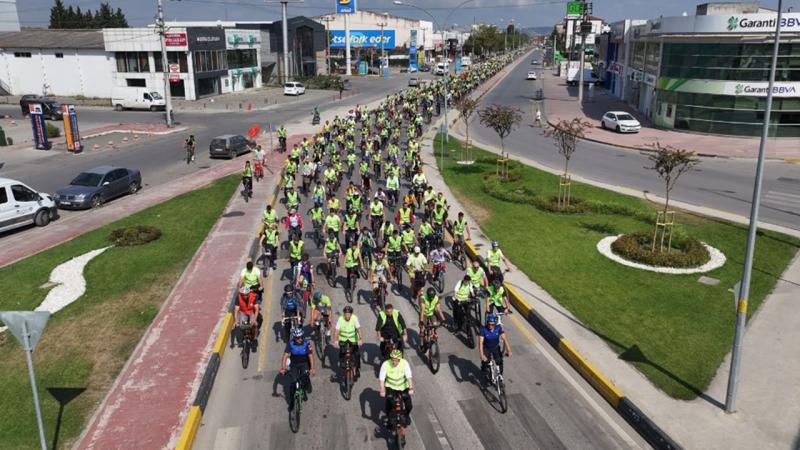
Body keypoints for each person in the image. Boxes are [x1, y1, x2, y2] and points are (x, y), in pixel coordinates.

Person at [280, 327, 315, 408]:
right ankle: (292, 403)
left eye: (301, 337)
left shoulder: (307, 343)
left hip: (304, 363)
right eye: (298, 337)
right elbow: (285, 356)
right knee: (293, 384)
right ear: (294, 338)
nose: (300, 339)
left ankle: (307, 385)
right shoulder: (290, 344)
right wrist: (283, 368)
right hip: (294, 365)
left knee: (305, 377)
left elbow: (310, 356)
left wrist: (312, 368)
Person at [379, 349, 414, 427]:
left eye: (396, 360)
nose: (394, 362)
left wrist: (411, 388)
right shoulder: (385, 364)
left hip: (403, 387)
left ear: (399, 360)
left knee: (409, 405)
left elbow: (409, 377)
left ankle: (406, 415)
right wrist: (382, 390)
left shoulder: (405, 363)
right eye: (392, 360)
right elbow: (382, 379)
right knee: (388, 405)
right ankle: (389, 418)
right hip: (390, 387)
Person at [479, 314, 512, 383]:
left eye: (492, 324)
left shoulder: (498, 328)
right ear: (487, 323)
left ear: (495, 324)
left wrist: (509, 350)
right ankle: (484, 369)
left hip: (495, 347)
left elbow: (505, 339)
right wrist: (482, 355)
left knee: (500, 361)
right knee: (485, 361)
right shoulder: (483, 329)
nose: (490, 326)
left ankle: (500, 375)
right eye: (489, 324)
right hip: (486, 348)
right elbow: (481, 343)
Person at [334, 305, 362, 378]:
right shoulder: (340, 319)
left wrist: (360, 339)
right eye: (345, 314)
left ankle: (356, 369)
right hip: (343, 339)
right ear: (343, 314)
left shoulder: (355, 318)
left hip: (353, 339)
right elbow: (336, 331)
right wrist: (335, 340)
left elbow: (359, 329)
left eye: (348, 314)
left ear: (351, 314)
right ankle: (343, 367)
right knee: (341, 354)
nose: (347, 315)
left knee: (357, 355)